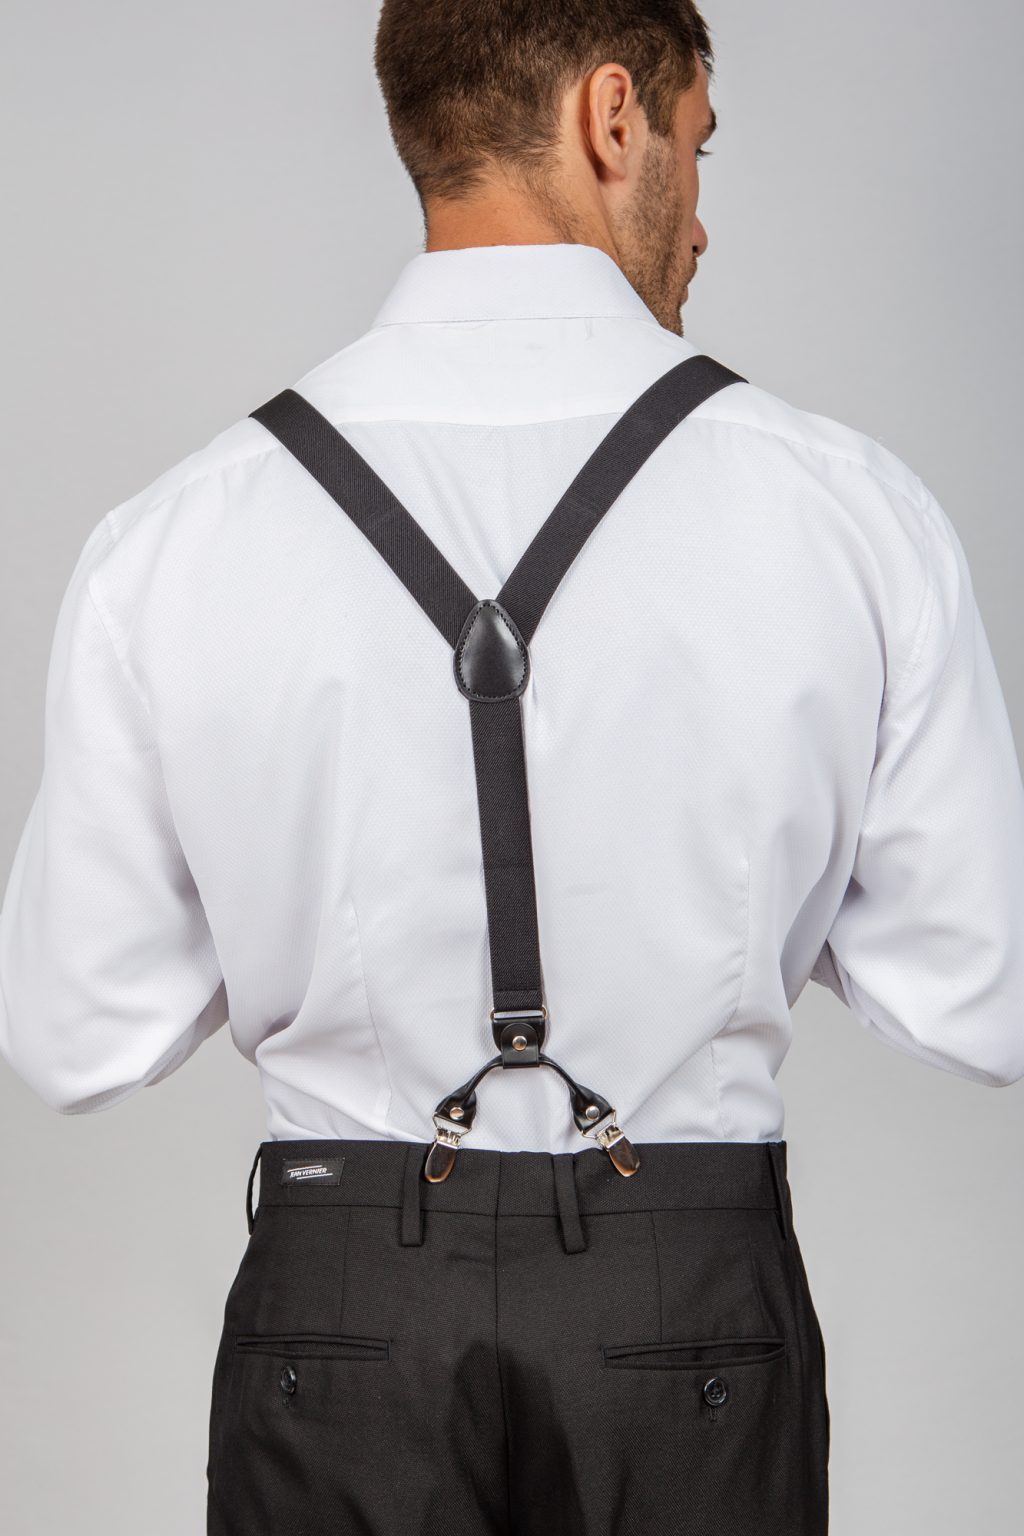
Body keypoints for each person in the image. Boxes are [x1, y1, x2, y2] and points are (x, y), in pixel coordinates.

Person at [1, 3, 1022, 1532]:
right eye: (696, 146)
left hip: (343, 1312)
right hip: (689, 1314)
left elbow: (73, 1036)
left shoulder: (179, 537)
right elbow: (985, 992)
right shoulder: (846, 513)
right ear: (613, 118)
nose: (701, 215)